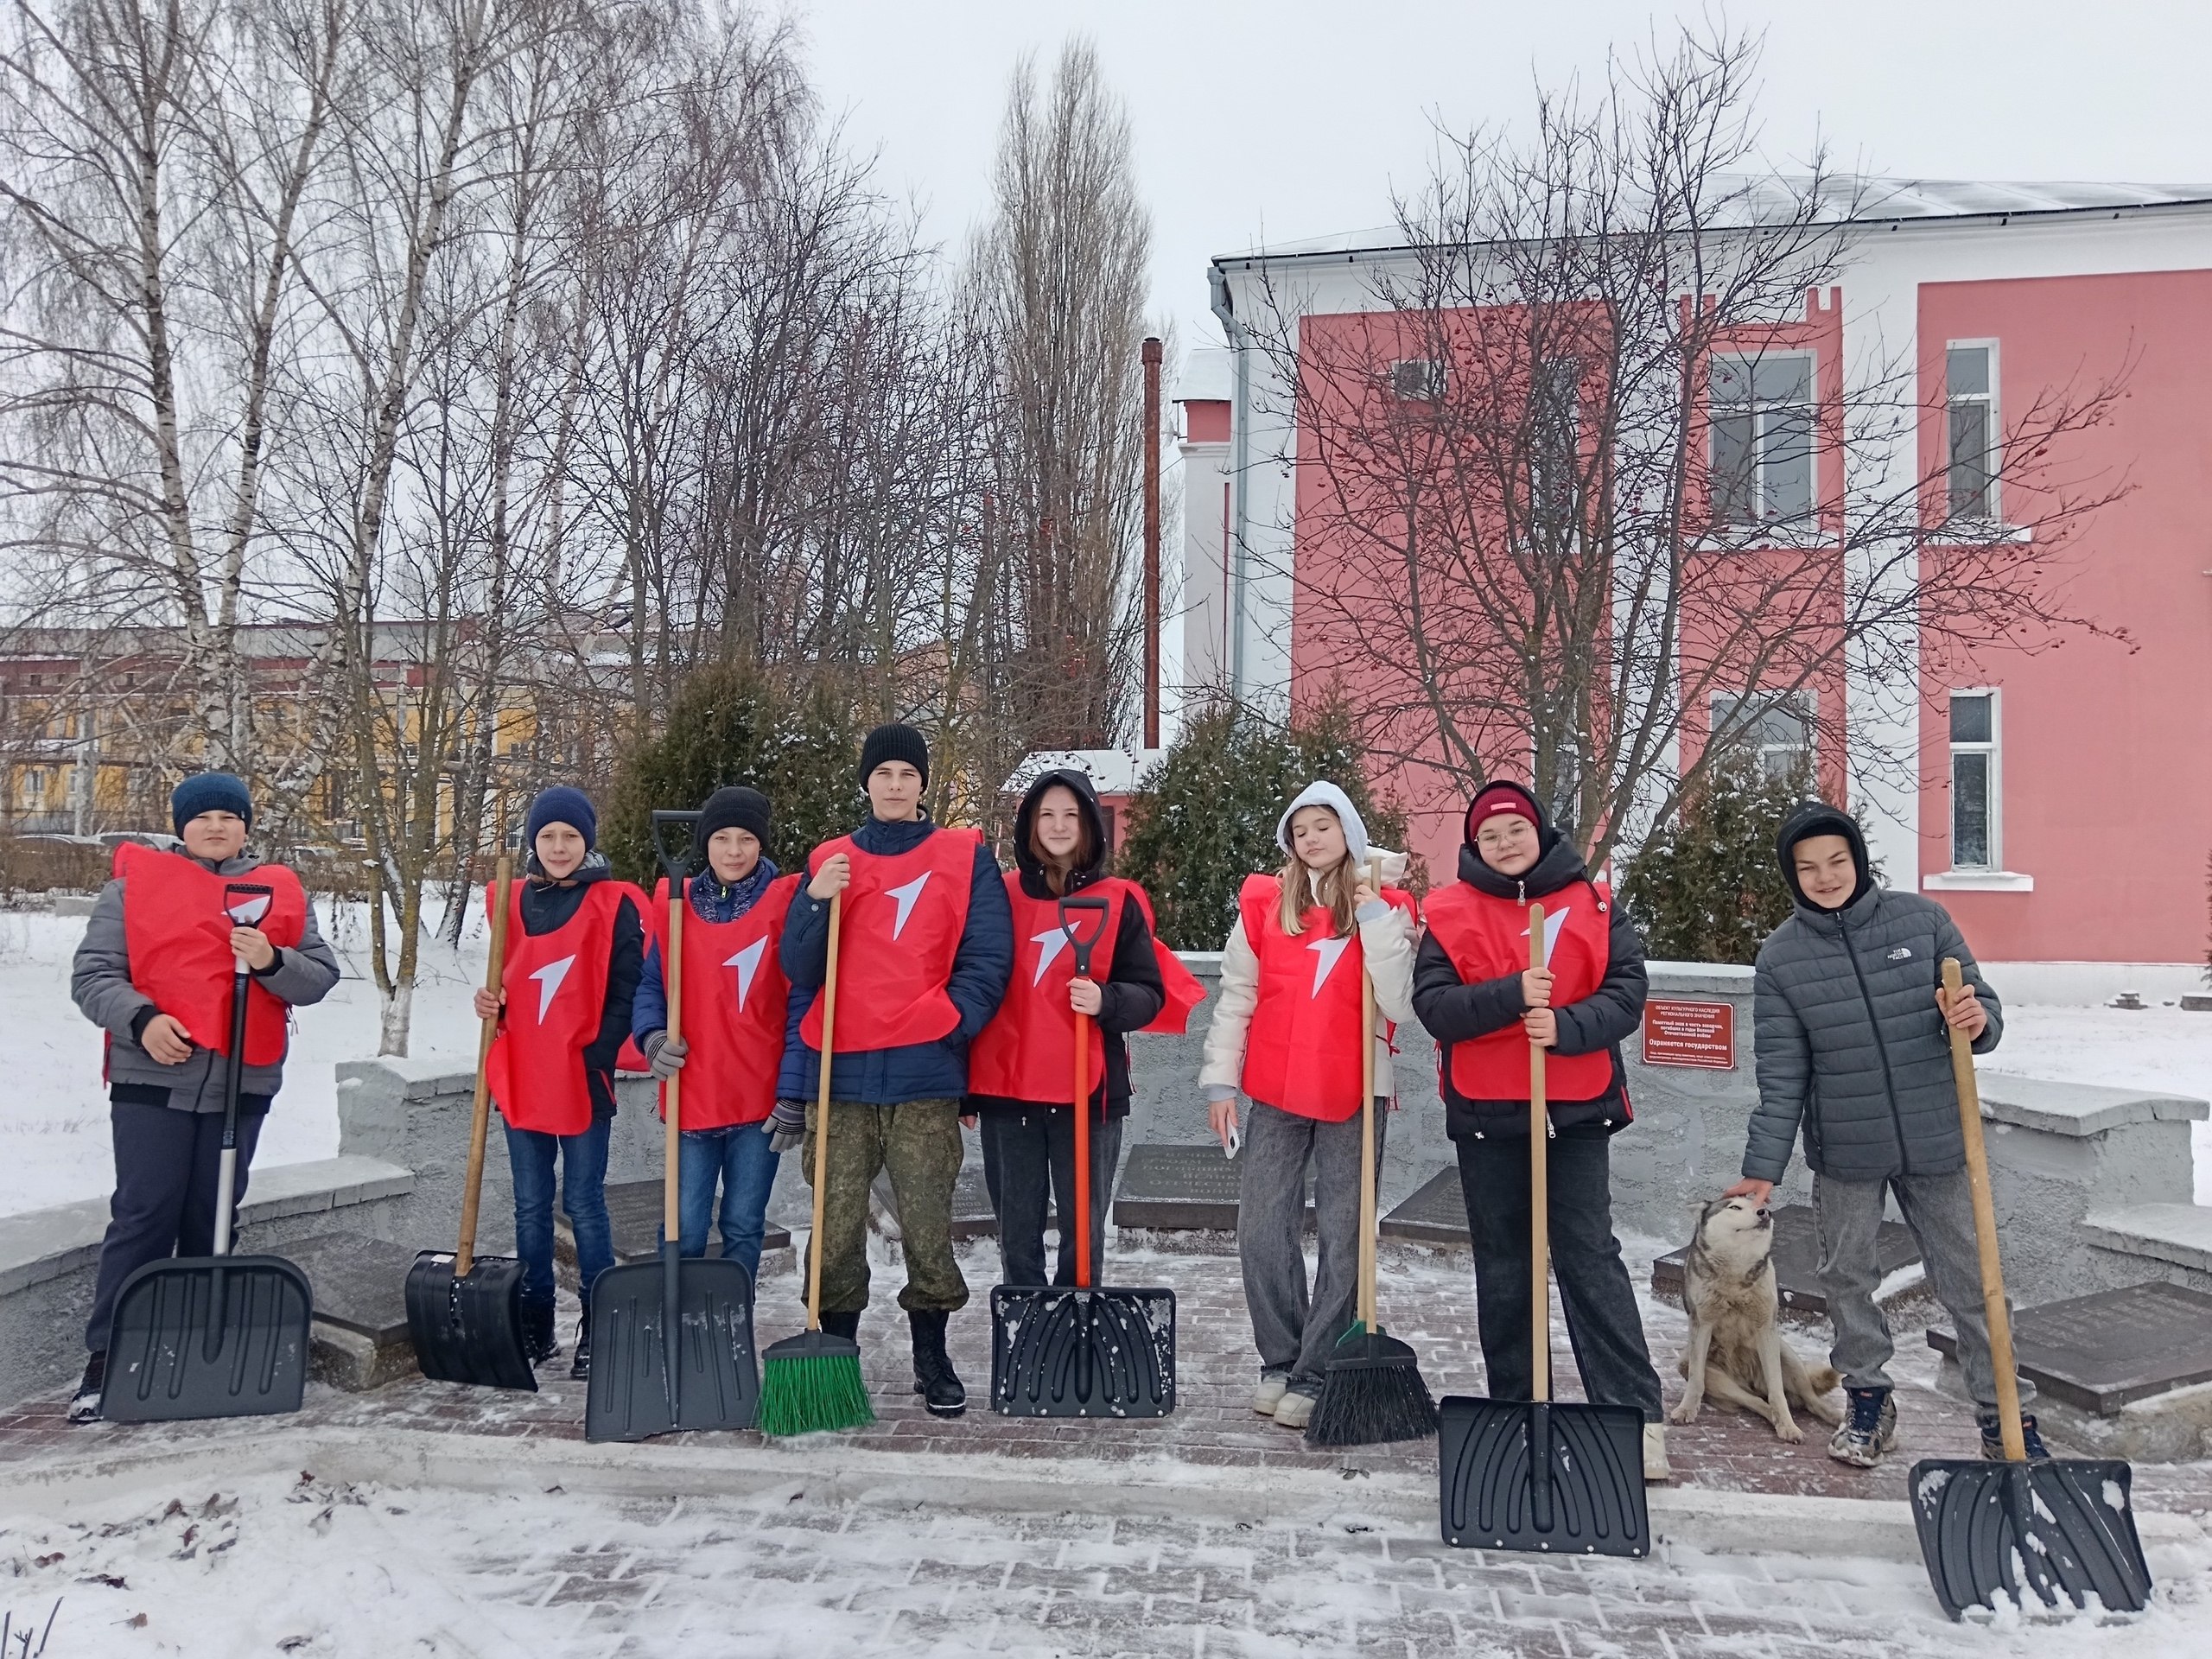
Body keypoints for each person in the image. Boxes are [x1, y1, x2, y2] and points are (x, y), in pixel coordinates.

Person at [1723, 800, 2040, 1467]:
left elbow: (1984, 1007)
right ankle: (1869, 1398)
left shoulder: (1921, 922)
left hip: (1938, 1139)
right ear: (1792, 876)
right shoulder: (1782, 958)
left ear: (1859, 860)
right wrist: (1763, 1168)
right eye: (1808, 867)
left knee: (1973, 1279)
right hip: (1847, 1149)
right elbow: (1783, 1076)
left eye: (1837, 860)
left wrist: (1974, 1017)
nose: (1826, 876)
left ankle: (2003, 1410)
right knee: (1847, 1278)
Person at [1411, 781, 1669, 1480]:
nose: (1504, 845)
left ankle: (1635, 1417)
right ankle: (1515, 1409)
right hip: (1488, 1118)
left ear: (1540, 833)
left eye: (1515, 831)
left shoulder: (1592, 901)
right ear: (1475, 846)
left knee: (1588, 1256)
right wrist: (1509, 996)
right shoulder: (1449, 912)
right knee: (1504, 1266)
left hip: (1576, 1113)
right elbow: (1434, 1005)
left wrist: (1563, 1028)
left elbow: (1626, 992)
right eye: (1489, 836)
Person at [67, 772, 342, 1422]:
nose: (216, 827)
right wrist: (142, 1020)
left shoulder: (276, 894)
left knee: (212, 1217)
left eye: (229, 816)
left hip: (240, 1080)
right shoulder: (132, 888)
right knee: (144, 1212)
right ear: (180, 826)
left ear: (247, 825)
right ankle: (108, 1356)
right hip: (153, 1075)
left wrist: (273, 959)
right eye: (202, 817)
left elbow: (319, 977)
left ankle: (193, 1348)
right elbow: (93, 976)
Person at [774, 723, 1014, 1416]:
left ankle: (931, 1355)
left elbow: (988, 957)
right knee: (837, 1221)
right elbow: (798, 968)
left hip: (923, 1077)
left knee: (927, 1222)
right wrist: (817, 900)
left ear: (923, 785)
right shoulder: (831, 859)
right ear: (866, 782)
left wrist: (951, 1020)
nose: (895, 784)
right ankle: (835, 1350)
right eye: (883, 773)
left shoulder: (963, 857)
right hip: (840, 1079)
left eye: (908, 774)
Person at [1198, 781, 1416, 1431]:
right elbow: (1237, 994)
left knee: (1347, 1237)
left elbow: (1403, 1003)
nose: (1312, 838)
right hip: (1276, 1088)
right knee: (1261, 1227)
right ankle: (1281, 1357)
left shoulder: (1389, 905)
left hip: (1355, 1089)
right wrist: (1220, 1081)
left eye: (1324, 825)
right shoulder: (1266, 904)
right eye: (1301, 829)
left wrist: (1374, 917)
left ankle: (1319, 1369)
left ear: (1347, 830)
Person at [966, 769, 1169, 1288]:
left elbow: (1149, 993)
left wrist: (1107, 999)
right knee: (1017, 1235)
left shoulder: (1117, 900)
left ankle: (1077, 1339)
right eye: (1047, 814)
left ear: (1088, 826)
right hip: (1009, 1092)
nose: (1058, 826)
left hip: (1088, 1094)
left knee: (1083, 1236)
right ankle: (1028, 1341)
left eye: (1071, 815)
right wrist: (960, 1087)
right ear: (1030, 824)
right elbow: (970, 983)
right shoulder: (997, 894)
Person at [478, 786, 645, 1382]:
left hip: (580, 1076)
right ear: (533, 841)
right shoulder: (510, 902)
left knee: (583, 1204)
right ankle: (536, 1317)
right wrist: (490, 1003)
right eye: (547, 836)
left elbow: (629, 988)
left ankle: (597, 1321)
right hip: (522, 1071)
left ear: (588, 842)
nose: (558, 846)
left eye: (570, 836)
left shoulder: (615, 903)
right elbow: (507, 983)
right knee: (529, 1206)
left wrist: (593, 1053)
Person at [630, 786, 799, 1280]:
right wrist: (651, 1035)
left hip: (758, 1101)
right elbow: (650, 986)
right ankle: (676, 1321)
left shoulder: (784, 906)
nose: (733, 851)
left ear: (762, 844)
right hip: (694, 1094)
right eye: (722, 838)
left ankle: (730, 1325)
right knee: (682, 1225)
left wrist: (793, 1093)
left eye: (747, 839)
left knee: (744, 1225)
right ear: (704, 843)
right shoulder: (677, 906)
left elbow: (799, 1005)